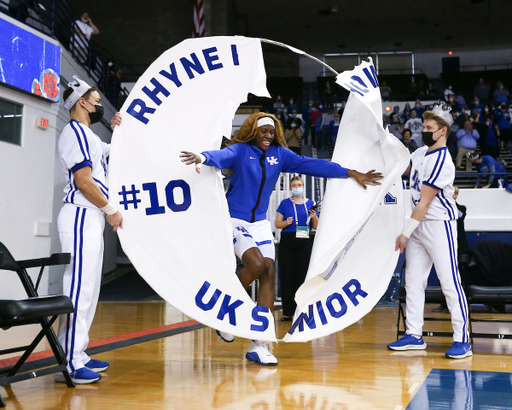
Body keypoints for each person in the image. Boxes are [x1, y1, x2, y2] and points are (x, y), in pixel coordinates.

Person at [180, 112, 382, 366]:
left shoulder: (280, 155)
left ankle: (260, 344)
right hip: (233, 221)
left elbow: (313, 164)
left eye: (272, 132)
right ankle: (222, 313)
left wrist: (350, 172)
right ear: (253, 131)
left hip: (260, 225)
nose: (269, 136)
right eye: (264, 131)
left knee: (269, 271)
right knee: (256, 265)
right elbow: (223, 156)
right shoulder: (241, 150)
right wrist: (204, 157)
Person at [388, 102, 471, 359]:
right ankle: (414, 334)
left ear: (443, 131)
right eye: (423, 126)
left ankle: (462, 339)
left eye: (428, 127)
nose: (423, 130)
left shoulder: (444, 161)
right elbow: (402, 169)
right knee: (413, 282)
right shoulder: (420, 153)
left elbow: (424, 202)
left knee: (449, 282)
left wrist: (405, 232)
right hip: (419, 224)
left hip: (438, 225)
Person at [55, 76, 123, 384]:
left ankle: (78, 352)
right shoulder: (75, 132)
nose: (100, 104)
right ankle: (68, 361)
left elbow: (112, 153)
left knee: (90, 290)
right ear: (82, 101)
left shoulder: (89, 136)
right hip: (82, 214)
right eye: (96, 99)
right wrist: (110, 209)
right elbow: (84, 181)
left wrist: (120, 128)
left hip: (90, 216)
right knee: (78, 289)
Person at [275, 176, 318, 321]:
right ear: (290, 188)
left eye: (299, 184)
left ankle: (302, 310)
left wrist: (314, 217)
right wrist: (286, 222)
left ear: (303, 186)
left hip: (305, 239)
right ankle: (287, 312)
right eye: (294, 185)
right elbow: (277, 224)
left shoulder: (311, 203)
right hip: (287, 240)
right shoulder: (284, 203)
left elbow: (316, 226)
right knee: (287, 276)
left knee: (302, 276)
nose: (297, 187)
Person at [433, 186, 469, 313]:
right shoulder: (440, 208)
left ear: (455, 195)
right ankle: (444, 303)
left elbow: (459, 215)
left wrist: (451, 203)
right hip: (445, 245)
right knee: (444, 274)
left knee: (459, 275)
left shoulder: (462, 207)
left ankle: (459, 303)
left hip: (460, 247)